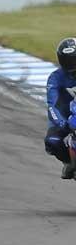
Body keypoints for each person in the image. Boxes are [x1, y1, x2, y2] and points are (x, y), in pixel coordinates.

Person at [45, 38, 76, 179]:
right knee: (52, 141)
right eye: (69, 61)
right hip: (64, 116)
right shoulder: (55, 78)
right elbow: (52, 104)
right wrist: (61, 122)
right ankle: (68, 162)